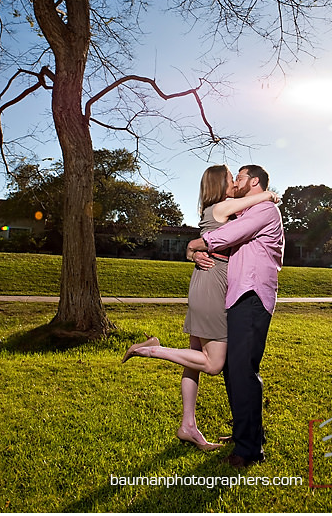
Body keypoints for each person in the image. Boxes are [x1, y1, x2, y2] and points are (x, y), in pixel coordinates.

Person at [122, 166, 277, 452]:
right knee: (214, 364)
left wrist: (192, 251)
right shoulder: (227, 206)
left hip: (206, 281)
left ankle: (188, 426)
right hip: (213, 284)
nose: (235, 182)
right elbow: (246, 208)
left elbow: (211, 238)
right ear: (222, 184)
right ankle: (151, 349)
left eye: (239, 178)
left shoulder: (220, 209)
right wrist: (268, 193)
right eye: (232, 178)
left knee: (193, 359)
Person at [187, 164, 284, 468]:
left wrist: (195, 245)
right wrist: (196, 253)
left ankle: (249, 450)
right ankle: (249, 432)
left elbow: (227, 235)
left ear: (253, 181)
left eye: (240, 177)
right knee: (234, 368)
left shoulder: (264, 210)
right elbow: (221, 238)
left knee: (242, 370)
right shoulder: (245, 212)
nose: (236, 181)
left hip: (252, 296)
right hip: (237, 296)